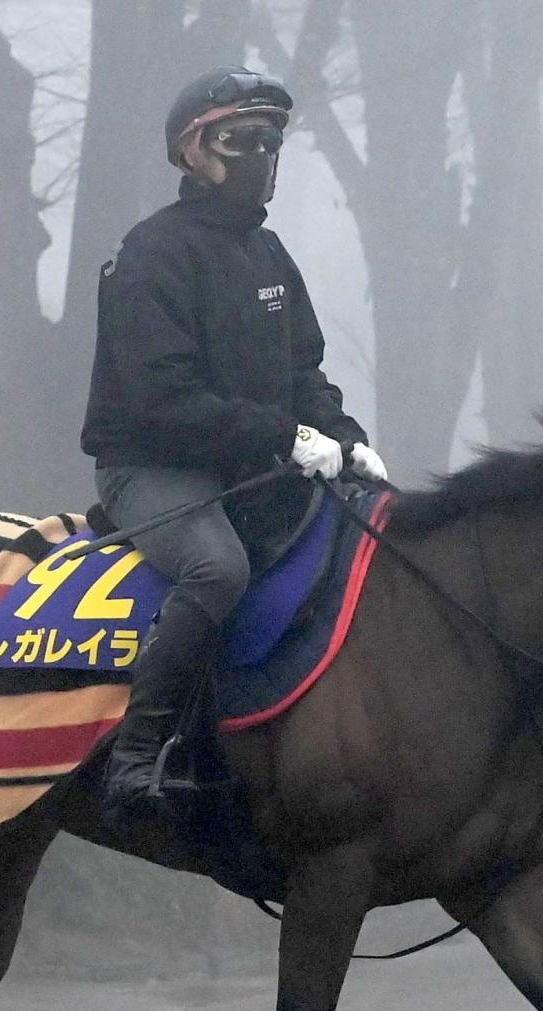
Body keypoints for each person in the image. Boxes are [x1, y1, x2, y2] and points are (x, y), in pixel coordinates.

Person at [80, 67, 388, 831]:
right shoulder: (150, 254)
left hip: (252, 466)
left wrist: (348, 441)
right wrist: (285, 436)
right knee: (220, 568)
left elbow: (303, 374)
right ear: (192, 151)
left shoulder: (270, 254)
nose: (261, 154)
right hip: (152, 466)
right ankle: (137, 754)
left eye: (270, 140)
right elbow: (161, 402)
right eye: (241, 139)